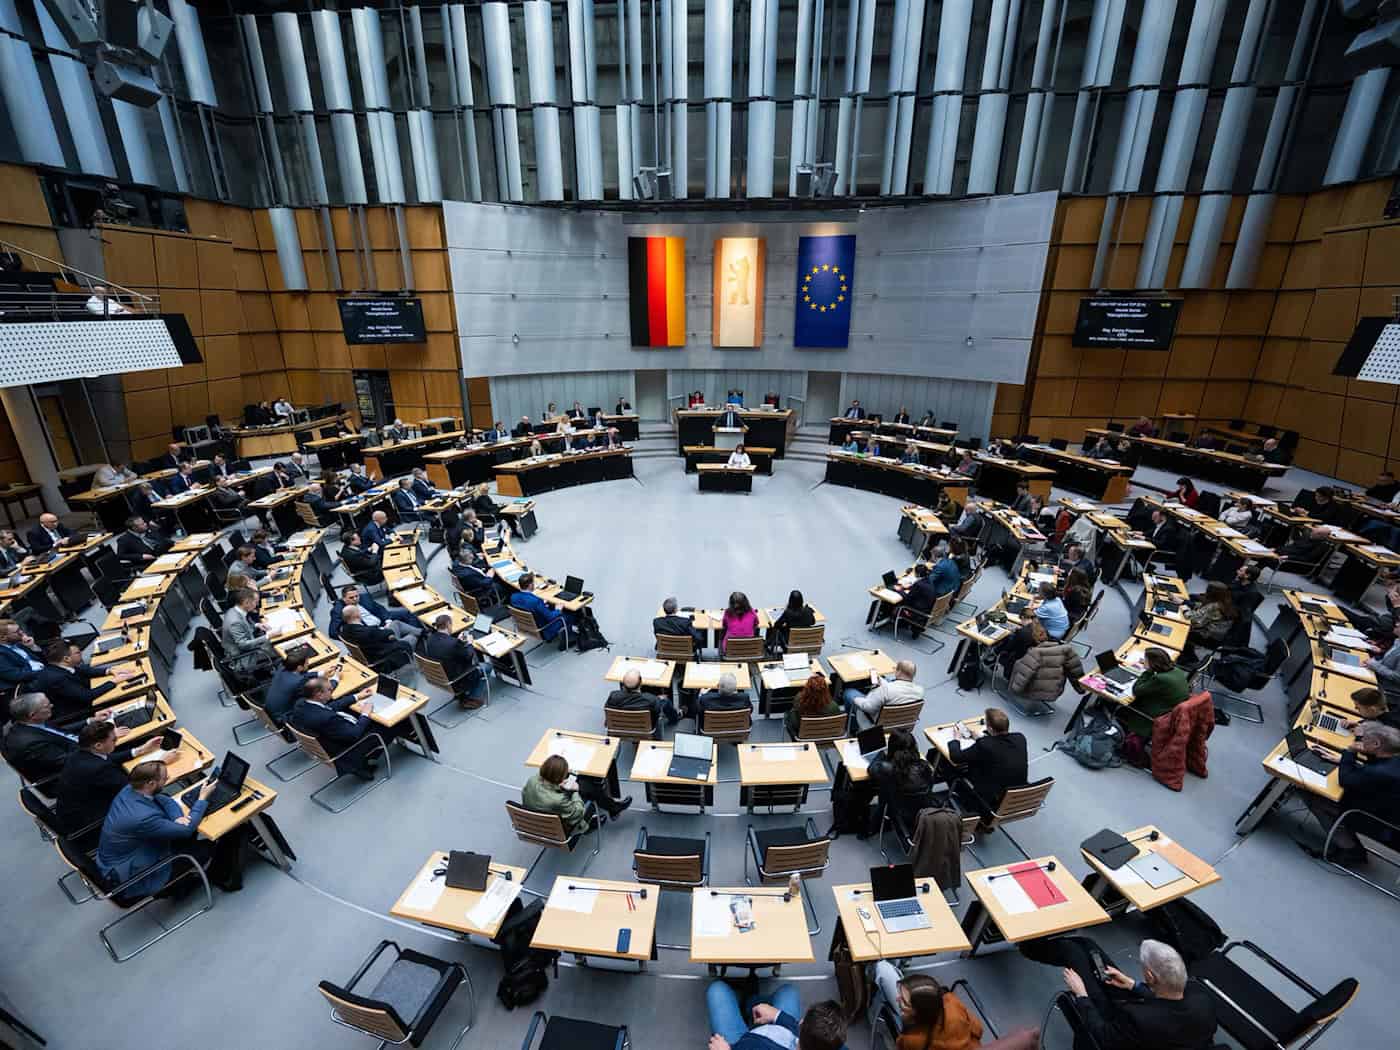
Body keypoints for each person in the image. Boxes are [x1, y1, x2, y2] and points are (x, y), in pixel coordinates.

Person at [1021, 937, 1215, 1050]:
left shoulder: (1138, 1019)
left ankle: (1027, 946)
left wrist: (1081, 995)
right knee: (1088, 945)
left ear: (1150, 976)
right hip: (1143, 1021)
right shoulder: (1201, 998)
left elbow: (1101, 1036)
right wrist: (1132, 985)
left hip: (1115, 1030)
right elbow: (1171, 1005)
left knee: (1071, 952)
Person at [97, 761, 219, 901]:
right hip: (137, 875)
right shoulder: (142, 818)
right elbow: (186, 830)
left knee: (187, 834)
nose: (168, 778)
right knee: (209, 846)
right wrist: (202, 798)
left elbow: (164, 799)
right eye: (164, 778)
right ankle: (183, 885)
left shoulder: (132, 788)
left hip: (128, 854)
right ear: (151, 784)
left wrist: (177, 817)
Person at [3, 692, 143, 782]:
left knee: (134, 735)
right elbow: (71, 761)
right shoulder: (32, 744)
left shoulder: (30, 722)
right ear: (32, 715)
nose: (52, 706)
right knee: (137, 742)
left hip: (81, 747)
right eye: (46, 706)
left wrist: (91, 721)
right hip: (75, 773)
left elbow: (60, 733)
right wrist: (104, 738)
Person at [56, 720, 163, 835]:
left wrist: (141, 750)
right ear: (98, 745)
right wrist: (159, 764)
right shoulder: (99, 769)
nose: (116, 741)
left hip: (71, 811)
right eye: (113, 740)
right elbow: (134, 789)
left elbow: (107, 758)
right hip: (91, 821)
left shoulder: (79, 753)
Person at [868, 967, 992, 1050]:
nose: (897, 999)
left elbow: (900, 1044)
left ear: (919, 1012)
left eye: (904, 1002)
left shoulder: (913, 1040)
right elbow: (978, 1029)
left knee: (883, 975)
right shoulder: (952, 1003)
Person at [289, 677, 381, 779]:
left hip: (328, 743)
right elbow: (354, 734)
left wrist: (357, 696)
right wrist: (365, 714)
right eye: (329, 689)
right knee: (386, 726)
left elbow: (329, 708)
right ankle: (364, 760)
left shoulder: (301, 704)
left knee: (355, 711)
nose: (332, 691)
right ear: (319, 695)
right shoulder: (326, 718)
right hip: (346, 749)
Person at [946, 707, 1027, 818]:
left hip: (988, 803)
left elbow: (956, 757)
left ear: (990, 728)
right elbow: (1000, 748)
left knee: (950, 767)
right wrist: (981, 739)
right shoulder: (1020, 738)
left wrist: (956, 739)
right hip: (1014, 798)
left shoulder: (985, 745)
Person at [705, 987, 846, 1050]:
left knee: (717, 990)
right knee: (788, 991)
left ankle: (748, 1002)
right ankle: (751, 1003)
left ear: (802, 1024)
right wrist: (777, 1015)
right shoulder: (829, 1043)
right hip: (776, 1029)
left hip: (739, 1043)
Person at [31, 640, 136, 722]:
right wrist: (114, 681)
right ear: (66, 659)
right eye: (78, 653)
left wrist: (109, 671)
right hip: (78, 713)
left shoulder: (59, 666)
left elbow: (84, 670)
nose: (81, 653)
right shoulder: (57, 678)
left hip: (82, 698)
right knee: (128, 695)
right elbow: (87, 696)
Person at [522, 753, 631, 830]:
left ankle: (613, 807)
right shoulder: (559, 800)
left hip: (539, 816)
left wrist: (559, 784)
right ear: (558, 778)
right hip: (563, 825)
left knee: (585, 784)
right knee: (588, 788)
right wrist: (575, 791)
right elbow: (578, 814)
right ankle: (598, 819)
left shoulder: (532, 780)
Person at [869, 728, 937, 829]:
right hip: (924, 811)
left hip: (899, 812)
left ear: (892, 746)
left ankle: (874, 823)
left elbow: (871, 769)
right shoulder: (924, 766)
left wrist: (882, 753)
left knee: (882, 790)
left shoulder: (887, 768)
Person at [1009, 622, 1086, 705]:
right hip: (1054, 691)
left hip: (1033, 692)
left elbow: (1022, 677)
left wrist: (1013, 691)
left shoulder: (1034, 653)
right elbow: (1076, 671)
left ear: (1034, 637)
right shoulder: (1066, 649)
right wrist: (1081, 689)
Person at [1121, 647, 1191, 736]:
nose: (1143, 662)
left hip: (1149, 716)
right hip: (1168, 711)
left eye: (1145, 660)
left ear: (1153, 663)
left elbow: (1136, 690)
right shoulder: (1177, 671)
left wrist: (1147, 671)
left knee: (1116, 703)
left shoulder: (1160, 678)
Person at [422, 615, 488, 708]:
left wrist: (459, 642)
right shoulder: (453, 643)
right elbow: (469, 656)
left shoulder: (430, 639)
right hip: (457, 679)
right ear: (448, 624)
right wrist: (470, 643)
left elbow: (448, 650)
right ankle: (472, 698)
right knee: (487, 667)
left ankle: (464, 694)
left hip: (441, 677)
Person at [844, 659, 922, 727]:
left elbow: (868, 708)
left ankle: (853, 727)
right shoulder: (920, 691)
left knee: (849, 693)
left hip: (877, 725)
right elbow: (898, 689)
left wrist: (856, 699)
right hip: (902, 724)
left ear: (899, 672)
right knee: (887, 680)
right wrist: (882, 681)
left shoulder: (885, 690)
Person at [265, 647, 332, 724]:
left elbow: (302, 676)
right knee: (318, 698)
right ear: (299, 667)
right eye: (306, 663)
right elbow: (315, 692)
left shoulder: (282, 668)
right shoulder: (299, 682)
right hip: (283, 717)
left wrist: (320, 673)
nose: (308, 664)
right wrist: (334, 679)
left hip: (269, 710)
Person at [221, 587, 274, 679]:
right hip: (245, 657)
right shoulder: (235, 621)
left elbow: (243, 627)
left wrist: (257, 625)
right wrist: (267, 636)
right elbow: (243, 645)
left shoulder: (234, 610)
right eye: (255, 602)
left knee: (276, 640)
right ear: (246, 603)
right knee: (283, 648)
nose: (256, 605)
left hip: (248, 647)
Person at [509, 573, 576, 643]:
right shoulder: (536, 601)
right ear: (530, 585)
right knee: (569, 615)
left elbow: (526, 606)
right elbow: (550, 617)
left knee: (550, 606)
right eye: (533, 583)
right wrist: (558, 609)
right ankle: (567, 641)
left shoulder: (513, 597)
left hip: (525, 627)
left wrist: (542, 604)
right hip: (543, 630)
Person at [607, 667, 680, 727]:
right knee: (665, 700)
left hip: (620, 728)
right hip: (645, 730)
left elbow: (608, 710)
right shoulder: (651, 699)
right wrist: (659, 699)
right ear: (640, 684)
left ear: (623, 685)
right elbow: (657, 713)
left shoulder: (613, 696)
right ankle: (675, 718)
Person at [783, 672, 840, 737]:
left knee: (788, 715)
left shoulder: (799, 700)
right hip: (827, 736)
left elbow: (795, 719)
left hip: (804, 735)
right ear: (825, 689)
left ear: (807, 688)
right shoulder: (834, 706)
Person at [1186, 582, 1237, 648]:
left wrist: (1184, 609)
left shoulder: (1214, 606)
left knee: (1181, 630)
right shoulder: (1225, 602)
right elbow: (1204, 609)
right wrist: (1186, 602)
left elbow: (1194, 621)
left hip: (1207, 638)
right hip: (1216, 638)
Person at [0, 619, 44, 692]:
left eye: (20, 629)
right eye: (17, 632)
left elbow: (43, 660)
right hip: (26, 686)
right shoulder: (1, 654)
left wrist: (32, 646)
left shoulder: (18, 644)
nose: (22, 632)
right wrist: (43, 672)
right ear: (3, 638)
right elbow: (17, 675)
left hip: (40, 675)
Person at [719, 591, 759, 656]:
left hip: (730, 650)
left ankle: (721, 655)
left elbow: (724, 625)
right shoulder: (752, 612)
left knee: (721, 636)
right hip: (749, 649)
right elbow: (756, 624)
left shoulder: (727, 613)